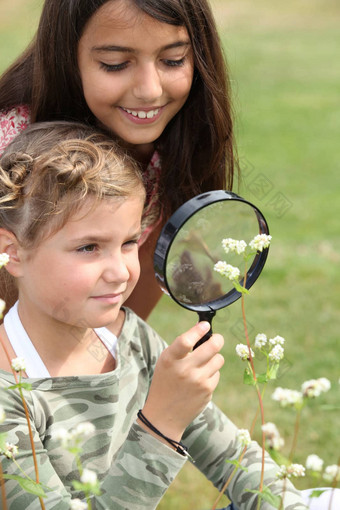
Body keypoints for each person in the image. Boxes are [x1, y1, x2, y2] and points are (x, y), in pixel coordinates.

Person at [0, 122, 307, 509]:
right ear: (11, 252)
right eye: (89, 247)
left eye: (129, 242)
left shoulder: (129, 338)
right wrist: (161, 422)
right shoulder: (10, 396)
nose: (121, 271)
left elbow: (235, 460)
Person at [0, 0, 237, 320]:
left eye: (173, 60)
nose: (150, 91)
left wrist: (130, 362)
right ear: (66, 58)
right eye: (114, 64)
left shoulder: (175, 140)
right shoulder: (12, 148)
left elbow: (123, 324)